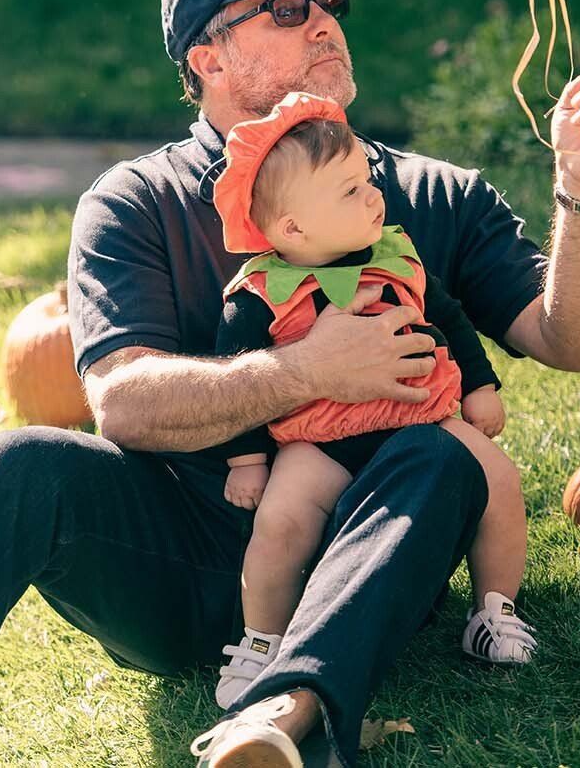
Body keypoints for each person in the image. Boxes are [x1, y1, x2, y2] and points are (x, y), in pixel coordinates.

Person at [0, 0, 580, 768]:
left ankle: (286, 718)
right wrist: (306, 369)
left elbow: (579, 341)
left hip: (374, 542)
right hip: (183, 557)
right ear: (208, 59)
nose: (324, 17)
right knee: (16, 461)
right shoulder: (135, 200)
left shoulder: (429, 194)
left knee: (442, 454)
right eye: (286, 9)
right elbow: (124, 403)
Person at [205, 92, 534, 716]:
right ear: (292, 228)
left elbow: (450, 323)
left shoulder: (399, 258)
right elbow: (238, 381)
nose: (373, 196)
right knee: (281, 523)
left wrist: (479, 385)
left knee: (499, 480)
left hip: (422, 418)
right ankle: (260, 640)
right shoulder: (260, 296)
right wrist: (246, 462)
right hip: (319, 439)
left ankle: (494, 608)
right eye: (349, 190)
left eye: (367, 180)